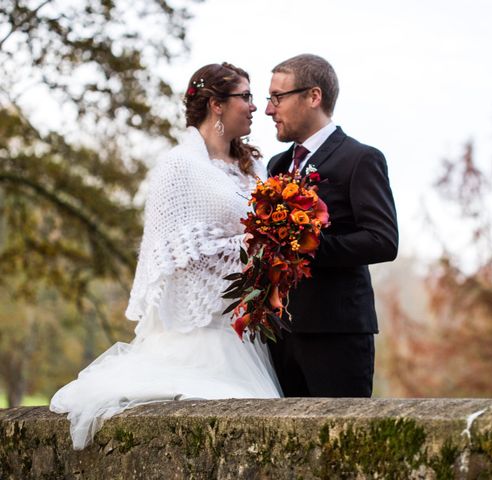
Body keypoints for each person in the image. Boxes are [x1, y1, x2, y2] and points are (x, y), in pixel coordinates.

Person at [50, 63, 282, 450]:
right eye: (245, 97)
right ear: (216, 105)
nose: (255, 107)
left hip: (247, 330)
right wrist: (247, 247)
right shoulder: (178, 167)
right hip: (201, 331)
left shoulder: (255, 167)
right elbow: (176, 251)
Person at [265, 54, 398, 398]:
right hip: (279, 335)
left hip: (336, 333)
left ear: (313, 96)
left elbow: (383, 240)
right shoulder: (277, 165)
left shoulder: (360, 158)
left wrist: (307, 244)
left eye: (277, 97)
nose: (269, 109)